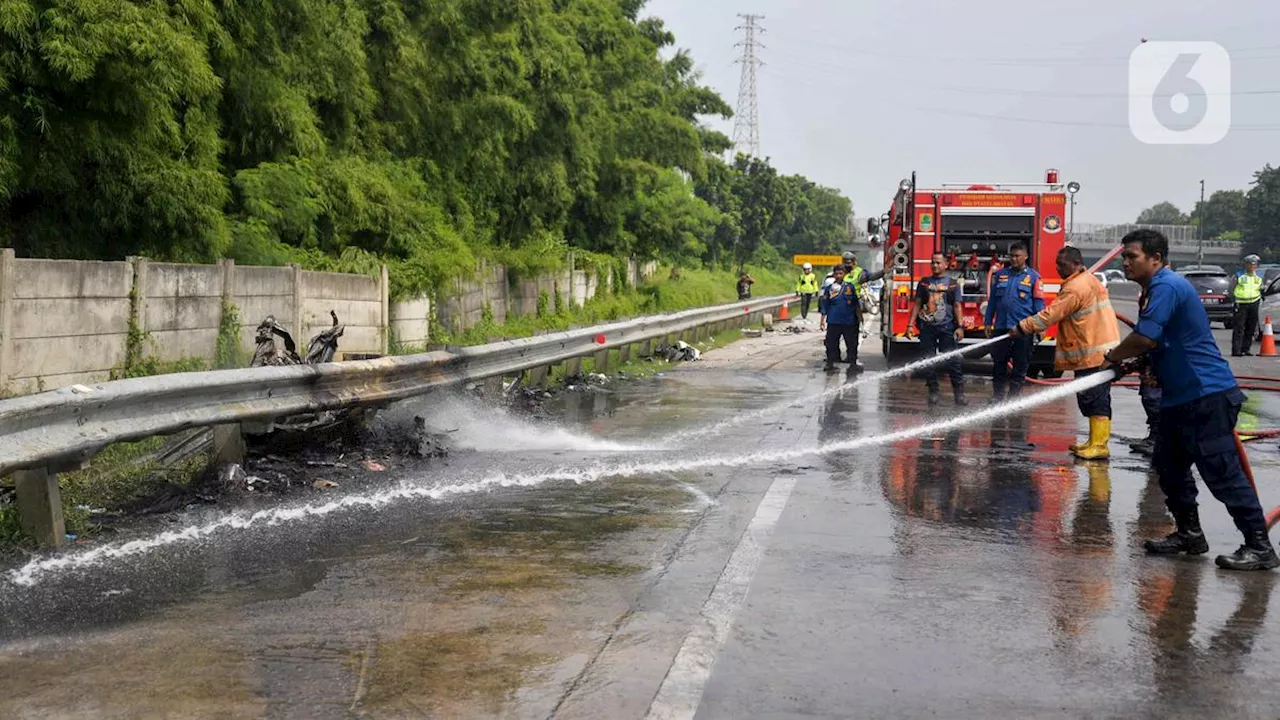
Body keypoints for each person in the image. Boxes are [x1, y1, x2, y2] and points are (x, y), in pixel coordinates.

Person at [1101, 229, 1277, 572]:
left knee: (1223, 474)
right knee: (1168, 468)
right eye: (1124, 256)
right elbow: (1163, 342)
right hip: (1180, 399)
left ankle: (1259, 546)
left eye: (1132, 256)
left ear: (1155, 258)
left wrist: (1112, 357)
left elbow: (1145, 337)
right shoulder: (1155, 290)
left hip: (1205, 395)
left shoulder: (1166, 286)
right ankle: (1189, 534)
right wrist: (1142, 362)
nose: (1126, 262)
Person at [1011, 246, 1120, 459]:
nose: (1058, 268)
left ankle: (1099, 445)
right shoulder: (1087, 280)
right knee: (1092, 397)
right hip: (1097, 349)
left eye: (1061, 264)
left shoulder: (1075, 288)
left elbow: (1051, 314)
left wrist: (1022, 327)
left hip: (1092, 352)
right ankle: (1094, 441)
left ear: (1075, 263)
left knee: (1095, 398)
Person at [984, 242, 1044, 401]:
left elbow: (1038, 305)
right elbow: (992, 303)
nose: (1014, 259)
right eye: (1012, 256)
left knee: (1020, 364)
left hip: (1023, 329)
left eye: (1017, 256)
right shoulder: (1001, 275)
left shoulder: (1034, 277)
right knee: (999, 364)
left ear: (1026, 257)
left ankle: (1014, 397)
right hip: (1001, 327)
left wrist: (1040, 327)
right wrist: (988, 322)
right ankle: (997, 396)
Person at [906, 252, 968, 406]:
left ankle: (959, 395)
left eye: (938, 263)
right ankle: (933, 391)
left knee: (953, 361)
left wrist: (960, 326)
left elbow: (957, 306)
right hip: (927, 328)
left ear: (946, 264)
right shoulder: (924, 283)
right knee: (928, 361)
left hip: (947, 328)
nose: (935, 265)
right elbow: (918, 303)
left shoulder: (953, 284)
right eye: (933, 262)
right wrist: (909, 325)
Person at [839, 251, 885, 368]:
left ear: (855, 262)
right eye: (846, 262)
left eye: (850, 262)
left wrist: (884, 272)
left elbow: (872, 276)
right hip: (839, 307)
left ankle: (852, 358)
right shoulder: (839, 272)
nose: (848, 264)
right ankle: (833, 358)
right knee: (834, 335)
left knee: (852, 335)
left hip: (853, 307)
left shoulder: (860, 273)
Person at [819, 265, 858, 373]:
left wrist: (859, 318)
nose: (839, 275)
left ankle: (853, 364)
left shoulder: (850, 287)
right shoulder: (829, 288)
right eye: (836, 273)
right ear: (834, 274)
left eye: (841, 273)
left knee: (851, 343)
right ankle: (830, 363)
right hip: (833, 320)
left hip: (848, 321)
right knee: (831, 343)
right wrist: (822, 320)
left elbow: (856, 304)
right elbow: (825, 305)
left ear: (845, 274)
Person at [1230, 254, 1263, 356]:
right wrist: (1234, 301)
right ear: (1245, 265)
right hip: (1241, 303)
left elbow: (1261, 289)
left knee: (1251, 327)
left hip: (1254, 303)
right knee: (1239, 328)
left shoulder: (1259, 277)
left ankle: (1246, 349)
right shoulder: (1239, 275)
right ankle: (1237, 350)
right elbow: (1231, 289)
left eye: (1254, 264)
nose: (1252, 266)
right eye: (1250, 264)